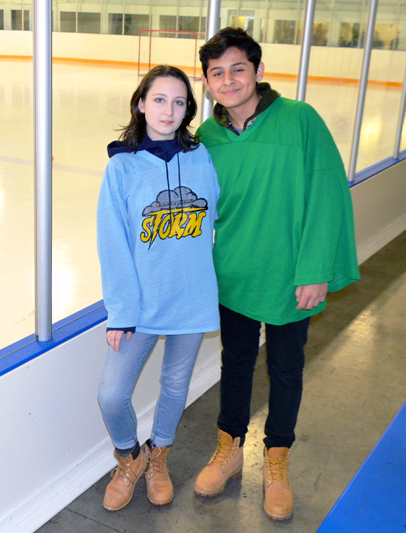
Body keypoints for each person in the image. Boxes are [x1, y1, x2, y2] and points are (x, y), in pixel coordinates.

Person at [193, 27, 359, 521]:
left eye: (238, 69)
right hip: (235, 275)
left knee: (286, 369)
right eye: (217, 73)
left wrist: (315, 270)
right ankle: (228, 449)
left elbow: (327, 194)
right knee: (236, 363)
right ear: (206, 82)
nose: (228, 80)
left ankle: (276, 459)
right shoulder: (206, 137)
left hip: (290, 277)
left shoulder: (299, 120)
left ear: (259, 71)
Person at [96, 65, 220, 511]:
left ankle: (160, 454)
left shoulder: (202, 156)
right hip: (142, 304)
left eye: (180, 102)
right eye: (160, 99)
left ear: (188, 109)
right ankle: (131, 457)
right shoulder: (122, 168)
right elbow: (113, 244)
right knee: (110, 395)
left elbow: (222, 216)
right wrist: (122, 311)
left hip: (193, 296)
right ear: (141, 103)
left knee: (174, 385)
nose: (169, 110)